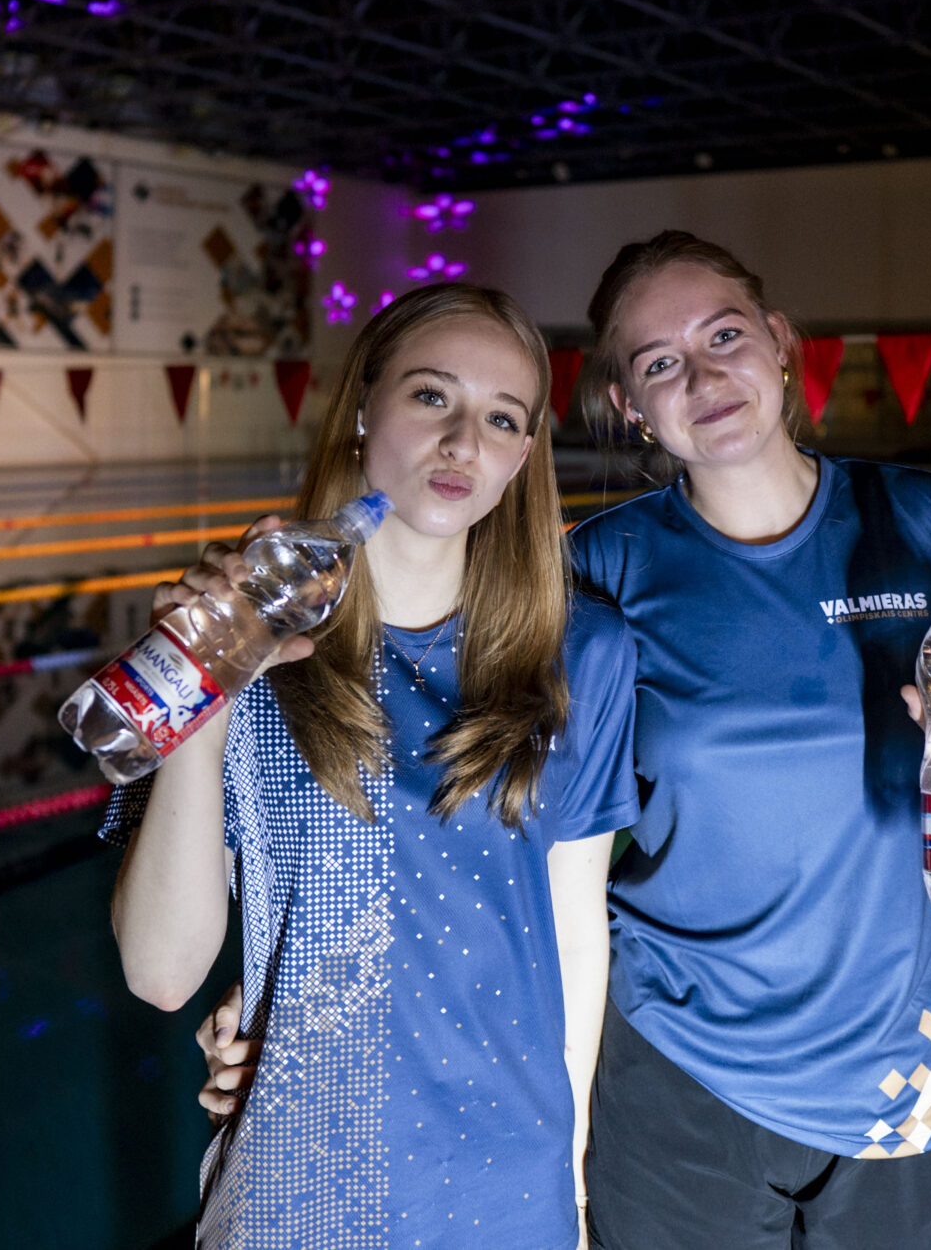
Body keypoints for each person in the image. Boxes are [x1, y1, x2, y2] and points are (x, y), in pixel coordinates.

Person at [197, 233, 931, 1249]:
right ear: (629, 404)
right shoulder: (598, 572)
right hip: (677, 1076)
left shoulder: (921, 521)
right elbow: (460, 796)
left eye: (724, 336)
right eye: (660, 362)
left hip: (911, 1061)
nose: (703, 376)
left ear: (781, 343)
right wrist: (294, 969)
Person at [106, 282, 638, 1250]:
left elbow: (572, 943)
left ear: (523, 456)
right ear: (363, 407)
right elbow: (161, 972)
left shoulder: (582, 654)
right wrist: (209, 702)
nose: (463, 442)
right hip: (301, 1184)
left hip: (508, 1189)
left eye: (502, 418)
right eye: (432, 395)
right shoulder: (247, 639)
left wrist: (571, 1189)